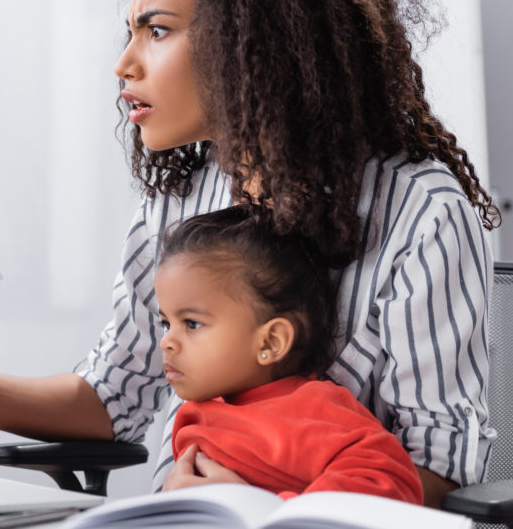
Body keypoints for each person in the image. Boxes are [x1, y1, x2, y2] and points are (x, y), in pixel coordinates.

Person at [0, 0, 499, 508]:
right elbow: (116, 394)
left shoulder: (421, 212)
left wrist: (268, 502)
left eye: (157, 30)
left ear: (254, 39)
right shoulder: (179, 201)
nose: (124, 62)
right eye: (130, 29)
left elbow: (442, 469)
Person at [155, 205, 422, 503]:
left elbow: (389, 481)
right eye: (166, 323)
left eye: (192, 323)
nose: (167, 341)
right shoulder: (198, 414)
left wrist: (260, 508)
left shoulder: (312, 411)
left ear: (271, 342)